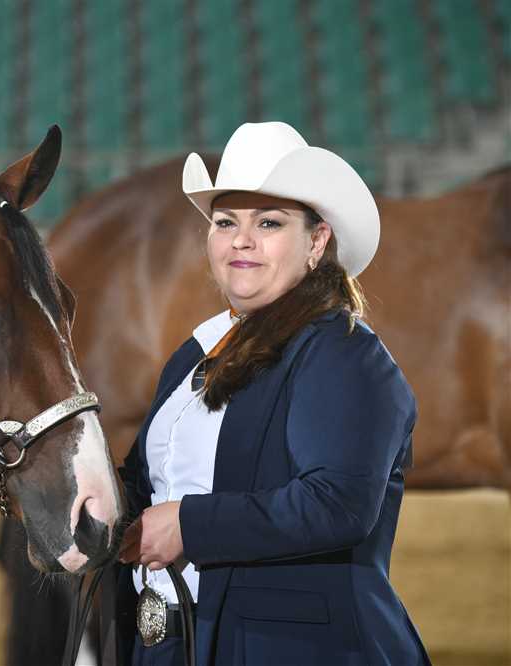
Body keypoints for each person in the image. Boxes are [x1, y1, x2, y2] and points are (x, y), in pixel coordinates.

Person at [115, 122, 430, 665]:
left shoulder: (342, 351)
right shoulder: (197, 350)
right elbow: (150, 482)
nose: (241, 240)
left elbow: (338, 503)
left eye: (269, 222)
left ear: (317, 241)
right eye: (225, 222)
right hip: (177, 643)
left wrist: (189, 525)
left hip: (293, 649)